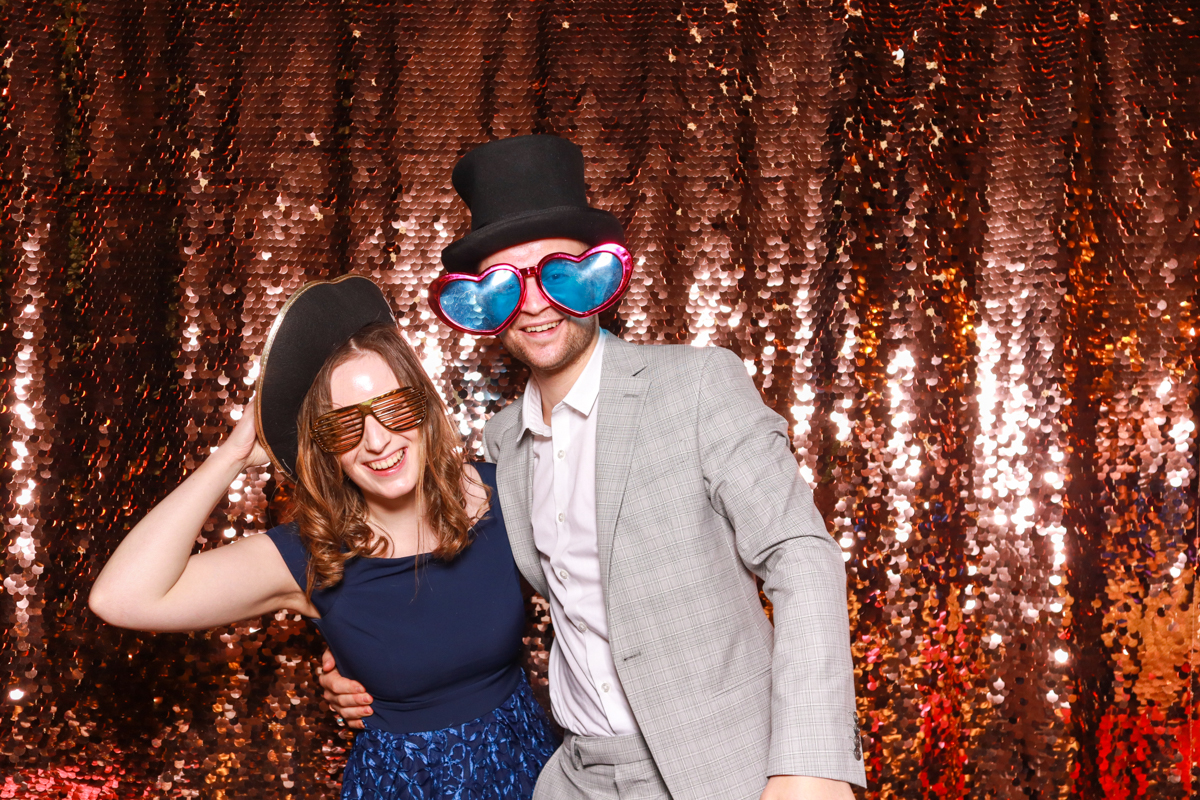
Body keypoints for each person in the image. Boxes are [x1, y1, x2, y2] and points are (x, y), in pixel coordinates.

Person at [320, 135, 867, 800]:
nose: (535, 302)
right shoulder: (502, 448)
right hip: (574, 775)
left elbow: (800, 554)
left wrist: (809, 765)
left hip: (720, 767)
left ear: (597, 276)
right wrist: (356, 654)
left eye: (558, 272)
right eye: (504, 285)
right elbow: (443, 570)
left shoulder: (695, 386)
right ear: (484, 306)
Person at [89, 275, 558, 800]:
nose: (377, 440)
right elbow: (122, 598)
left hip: (530, 770)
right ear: (323, 445)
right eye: (342, 426)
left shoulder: (505, 492)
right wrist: (235, 454)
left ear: (423, 404)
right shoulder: (310, 555)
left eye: (395, 407)